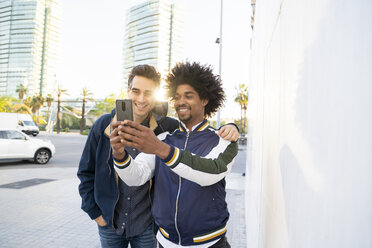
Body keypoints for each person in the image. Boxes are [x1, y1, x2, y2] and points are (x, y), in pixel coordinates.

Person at [77, 64, 239, 248]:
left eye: (188, 95)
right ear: (128, 91)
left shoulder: (216, 140)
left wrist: (233, 126)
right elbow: (135, 175)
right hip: (154, 238)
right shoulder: (164, 136)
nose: (181, 102)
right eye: (177, 97)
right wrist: (119, 154)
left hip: (203, 241)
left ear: (204, 99)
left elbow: (210, 172)